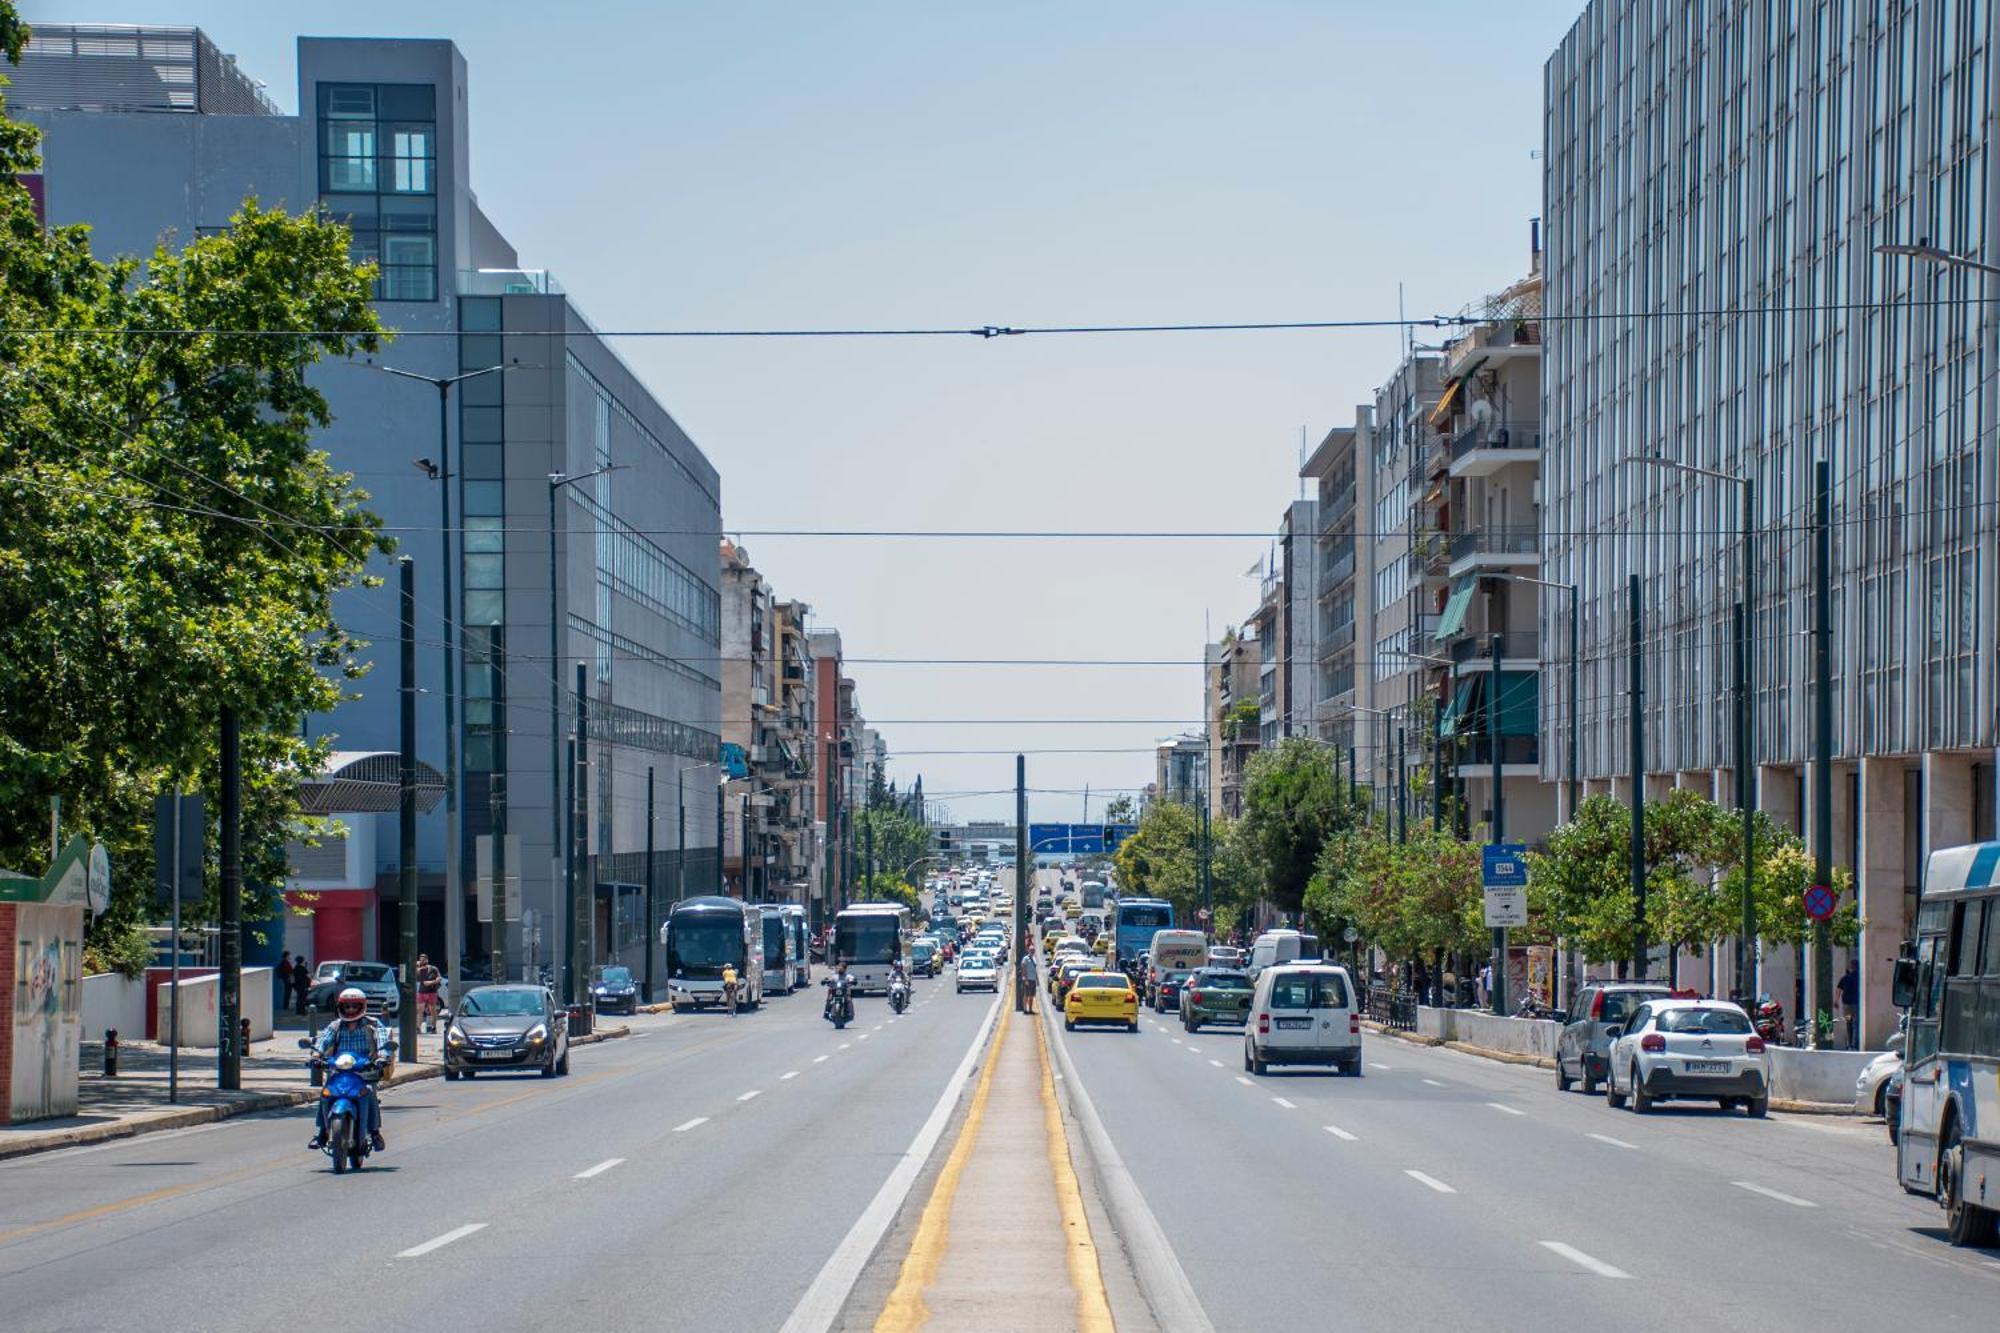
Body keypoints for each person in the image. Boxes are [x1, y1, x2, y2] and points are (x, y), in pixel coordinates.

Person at [308, 987, 395, 1152]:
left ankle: (374, 1132)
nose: (351, 1010)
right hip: (338, 1070)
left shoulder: (373, 1024)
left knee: (369, 1092)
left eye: (355, 1006)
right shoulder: (336, 1026)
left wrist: (382, 1057)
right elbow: (323, 1041)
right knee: (326, 1093)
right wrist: (315, 1056)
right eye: (347, 1006)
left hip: (365, 1070)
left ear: (362, 1007)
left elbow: (383, 1041)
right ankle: (322, 1132)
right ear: (340, 1007)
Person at [416, 954, 442, 1034]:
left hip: (431, 992)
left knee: (432, 1011)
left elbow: (439, 978)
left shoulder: (433, 969)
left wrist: (431, 982)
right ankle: (418, 1028)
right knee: (419, 1011)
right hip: (421, 992)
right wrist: (417, 966)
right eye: (421, 959)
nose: (422, 961)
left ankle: (434, 1027)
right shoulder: (419, 969)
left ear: (427, 960)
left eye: (424, 959)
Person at [1838, 958, 1860, 1048]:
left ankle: (1849, 1043)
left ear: (1851, 967)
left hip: (1847, 1005)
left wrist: (1836, 1001)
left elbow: (1839, 989)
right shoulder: (1859, 977)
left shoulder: (1845, 977)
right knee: (1856, 1024)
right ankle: (1855, 1044)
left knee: (1848, 1023)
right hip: (1856, 1005)